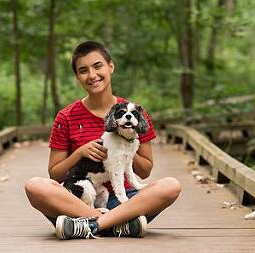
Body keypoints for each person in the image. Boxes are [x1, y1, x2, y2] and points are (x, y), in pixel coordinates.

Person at [23, 41, 182, 239]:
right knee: (35, 186)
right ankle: (117, 224)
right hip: (81, 201)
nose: (92, 75)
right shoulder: (66, 116)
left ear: (110, 67)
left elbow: (145, 170)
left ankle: (89, 225)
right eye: (83, 70)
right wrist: (80, 152)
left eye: (98, 66)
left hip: (126, 199)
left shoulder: (134, 113)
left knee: (171, 186)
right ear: (77, 77)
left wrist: (125, 144)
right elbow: (55, 175)